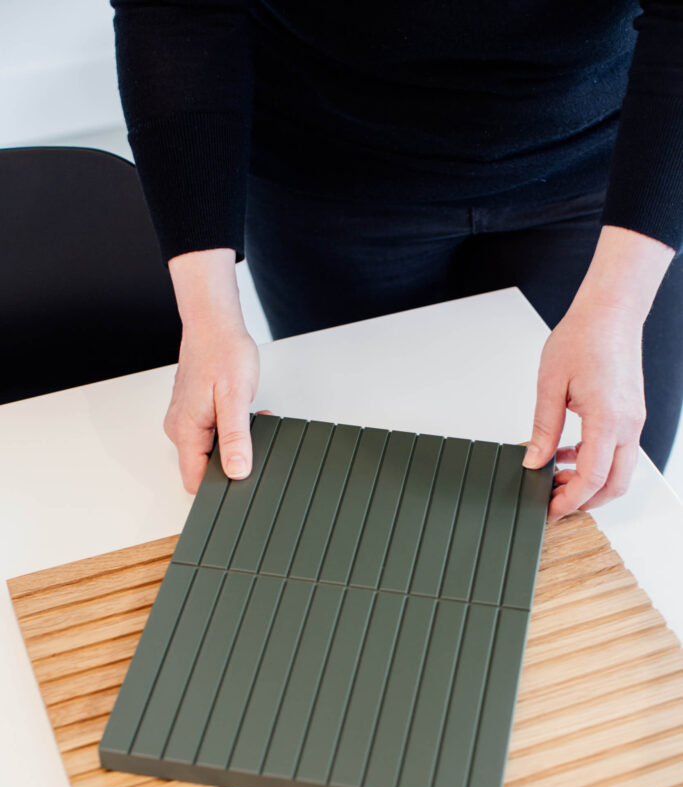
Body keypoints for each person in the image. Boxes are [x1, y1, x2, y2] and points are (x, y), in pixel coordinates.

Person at [110, 0, 682, 520]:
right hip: (328, 169)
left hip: (601, 171)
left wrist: (616, 308)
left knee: (604, 499)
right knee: (369, 487)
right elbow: (176, 11)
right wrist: (207, 320)